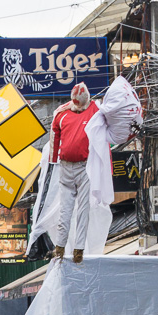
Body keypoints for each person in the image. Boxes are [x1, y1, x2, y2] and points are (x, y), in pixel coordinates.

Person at [50, 82, 99, 263]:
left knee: (83, 210)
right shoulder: (61, 113)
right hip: (65, 167)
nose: (79, 108)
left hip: (84, 166)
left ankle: (79, 249)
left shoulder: (95, 109)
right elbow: (54, 134)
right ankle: (60, 248)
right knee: (65, 211)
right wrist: (53, 159)